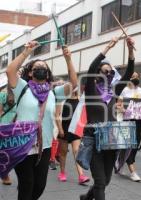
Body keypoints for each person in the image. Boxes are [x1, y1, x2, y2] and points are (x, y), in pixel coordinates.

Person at [6, 41, 77, 200]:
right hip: (22, 145)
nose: (41, 70)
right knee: (27, 184)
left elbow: (73, 83)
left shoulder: (54, 93)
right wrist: (26, 52)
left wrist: (68, 59)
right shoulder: (22, 87)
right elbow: (10, 70)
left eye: (44, 68)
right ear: (30, 73)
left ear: (47, 73)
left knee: (39, 186)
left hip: (43, 147)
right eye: (37, 68)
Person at [79, 36, 135, 200]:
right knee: (101, 181)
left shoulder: (114, 91)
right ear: (98, 73)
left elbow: (129, 72)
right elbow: (91, 68)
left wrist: (130, 50)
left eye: (110, 71)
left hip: (111, 139)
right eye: (104, 70)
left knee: (106, 181)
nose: (108, 73)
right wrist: (107, 48)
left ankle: (87, 197)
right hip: (93, 138)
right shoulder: (91, 90)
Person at [55, 90, 90, 184]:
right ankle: (62, 173)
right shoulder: (62, 99)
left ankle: (81, 175)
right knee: (63, 152)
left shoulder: (80, 99)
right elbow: (57, 115)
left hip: (75, 129)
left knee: (76, 151)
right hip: (64, 128)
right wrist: (60, 129)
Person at [119, 72, 141, 182]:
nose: (135, 78)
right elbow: (118, 104)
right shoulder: (124, 90)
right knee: (130, 143)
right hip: (127, 119)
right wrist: (123, 110)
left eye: (137, 76)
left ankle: (120, 161)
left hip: (139, 120)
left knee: (136, 143)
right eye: (133, 76)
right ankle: (132, 171)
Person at [0, 87, 16, 185]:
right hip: (3, 127)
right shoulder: (2, 95)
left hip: (14, 127)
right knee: (5, 151)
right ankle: (5, 175)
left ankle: (5, 173)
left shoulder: (20, 95)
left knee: (11, 152)